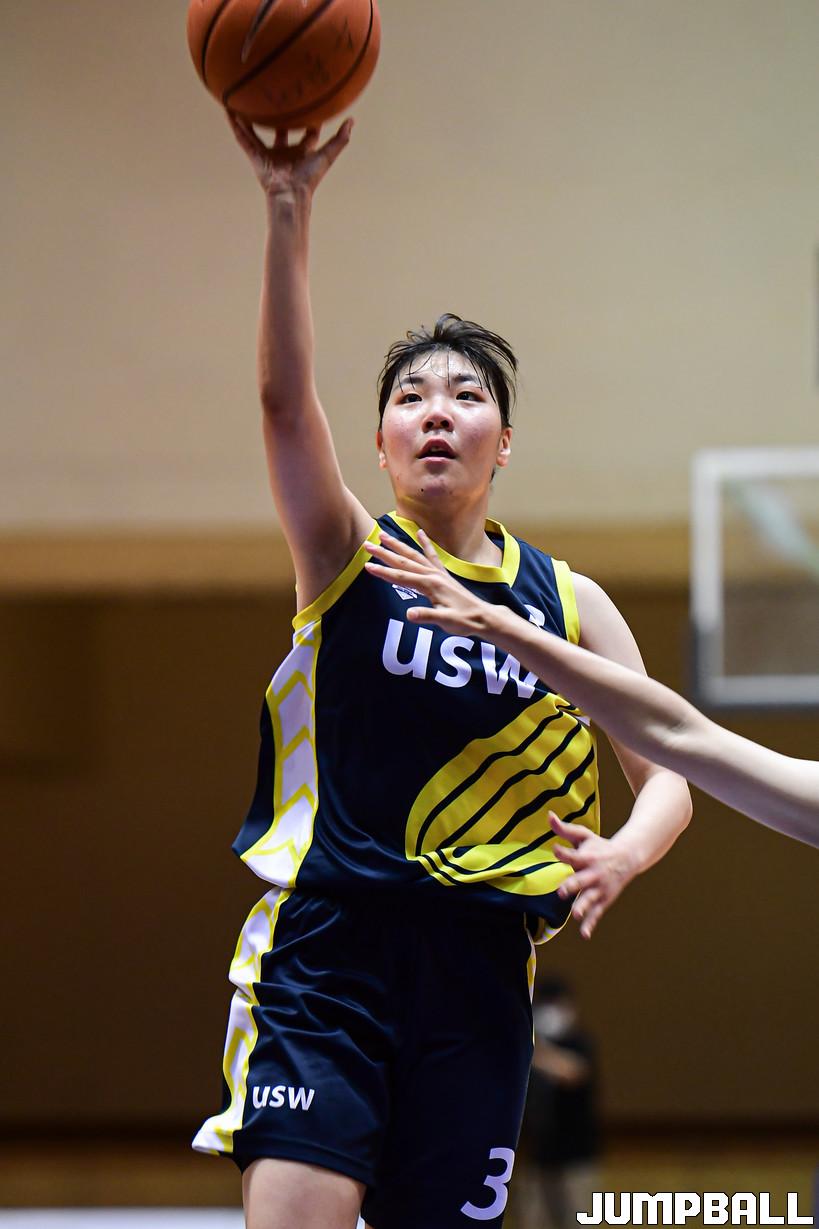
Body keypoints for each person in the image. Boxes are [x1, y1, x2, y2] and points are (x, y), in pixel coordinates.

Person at [192, 117, 692, 1229]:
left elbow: (671, 768)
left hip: (479, 972)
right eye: (411, 396)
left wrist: (625, 850)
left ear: (502, 441)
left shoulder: (572, 603)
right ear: (379, 441)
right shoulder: (345, 554)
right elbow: (281, 404)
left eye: (465, 395)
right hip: (330, 952)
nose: (436, 410)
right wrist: (286, 208)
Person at [364, 530, 819, 884]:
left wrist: (497, 624)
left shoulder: (569, 597)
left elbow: (676, 743)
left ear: (504, 446)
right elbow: (678, 735)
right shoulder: (354, 557)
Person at [517, 978, 600, 1229]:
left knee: (578, 1218)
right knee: (533, 1219)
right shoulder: (526, 1045)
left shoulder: (579, 1042)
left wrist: (535, 1051)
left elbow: (573, 1073)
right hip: (535, 1153)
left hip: (576, 1155)